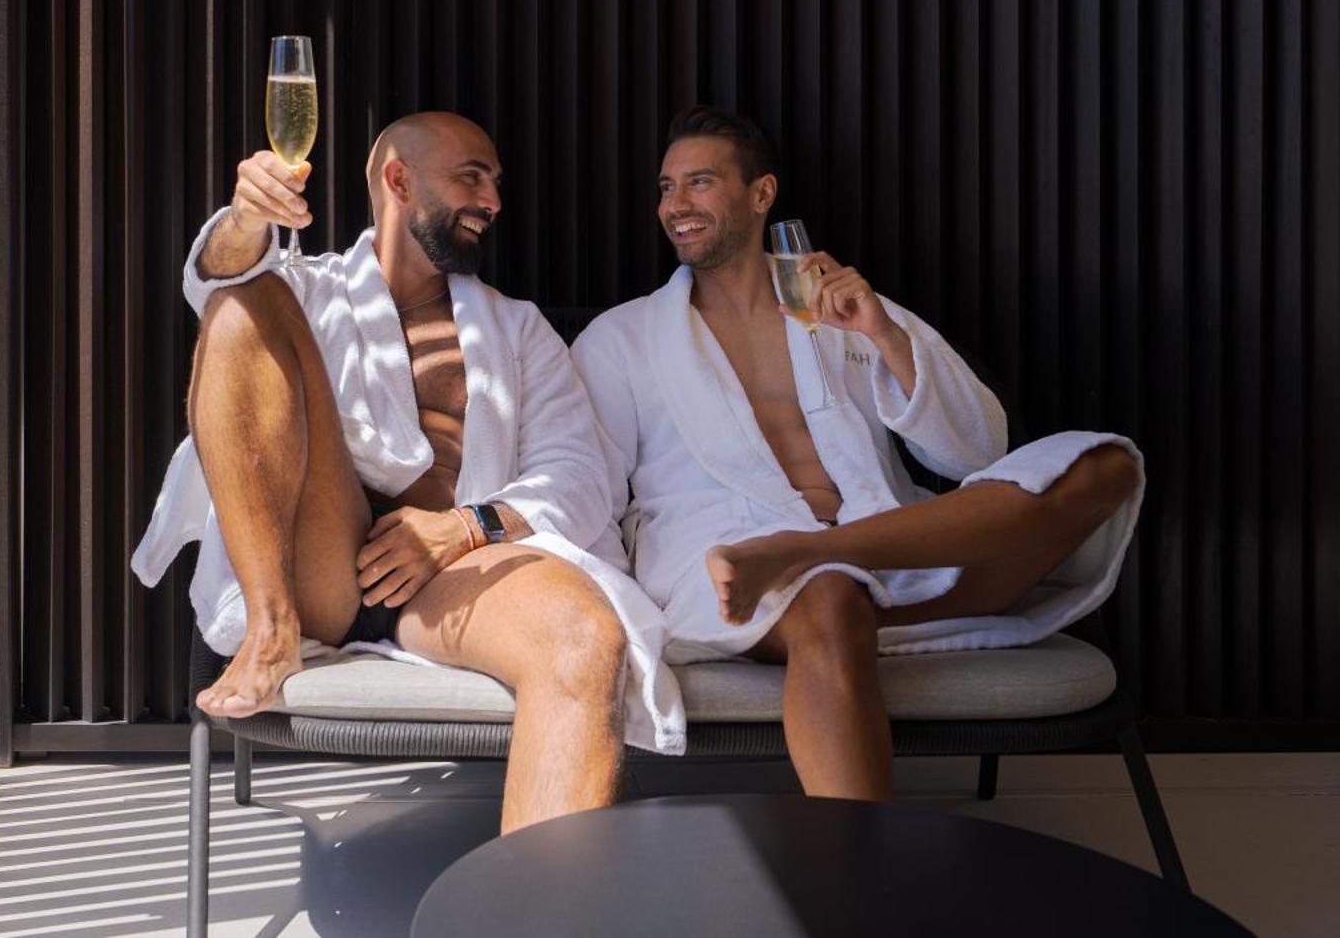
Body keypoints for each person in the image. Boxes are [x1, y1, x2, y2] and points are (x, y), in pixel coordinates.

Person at [571, 106, 1144, 801]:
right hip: (726, 569)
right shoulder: (621, 339)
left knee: (1104, 465)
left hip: (887, 555)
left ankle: (813, 555)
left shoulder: (837, 307)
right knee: (830, 596)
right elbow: (592, 490)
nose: (675, 205)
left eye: (699, 182)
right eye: (667, 187)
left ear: (761, 193)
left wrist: (882, 331)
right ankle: (857, 861)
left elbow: (976, 449)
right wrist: (615, 620)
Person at [133, 112, 683, 832]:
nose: (493, 200)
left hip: (454, 576)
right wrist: (245, 218)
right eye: (471, 178)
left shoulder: (518, 329)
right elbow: (216, 276)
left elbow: (579, 475)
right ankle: (272, 627)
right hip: (323, 562)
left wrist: (464, 527)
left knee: (584, 637)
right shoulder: (310, 288)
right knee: (237, 308)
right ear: (399, 180)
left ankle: (544, 892)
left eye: (495, 182)